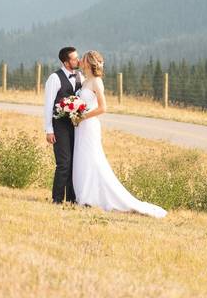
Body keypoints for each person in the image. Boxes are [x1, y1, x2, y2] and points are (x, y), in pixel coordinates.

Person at [71, 49, 167, 218]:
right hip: (80, 126)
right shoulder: (85, 81)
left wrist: (83, 117)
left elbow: (103, 108)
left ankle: (95, 197)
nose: (81, 61)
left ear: (89, 63)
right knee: (81, 159)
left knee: (93, 159)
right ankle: (84, 196)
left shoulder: (96, 82)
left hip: (89, 125)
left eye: (83, 59)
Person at [42, 46, 82, 203]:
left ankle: (72, 199)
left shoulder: (80, 76)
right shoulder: (54, 78)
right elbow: (48, 105)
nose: (77, 60)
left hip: (76, 126)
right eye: (74, 58)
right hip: (59, 126)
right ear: (66, 62)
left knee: (74, 162)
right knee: (63, 163)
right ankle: (57, 199)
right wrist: (49, 129)